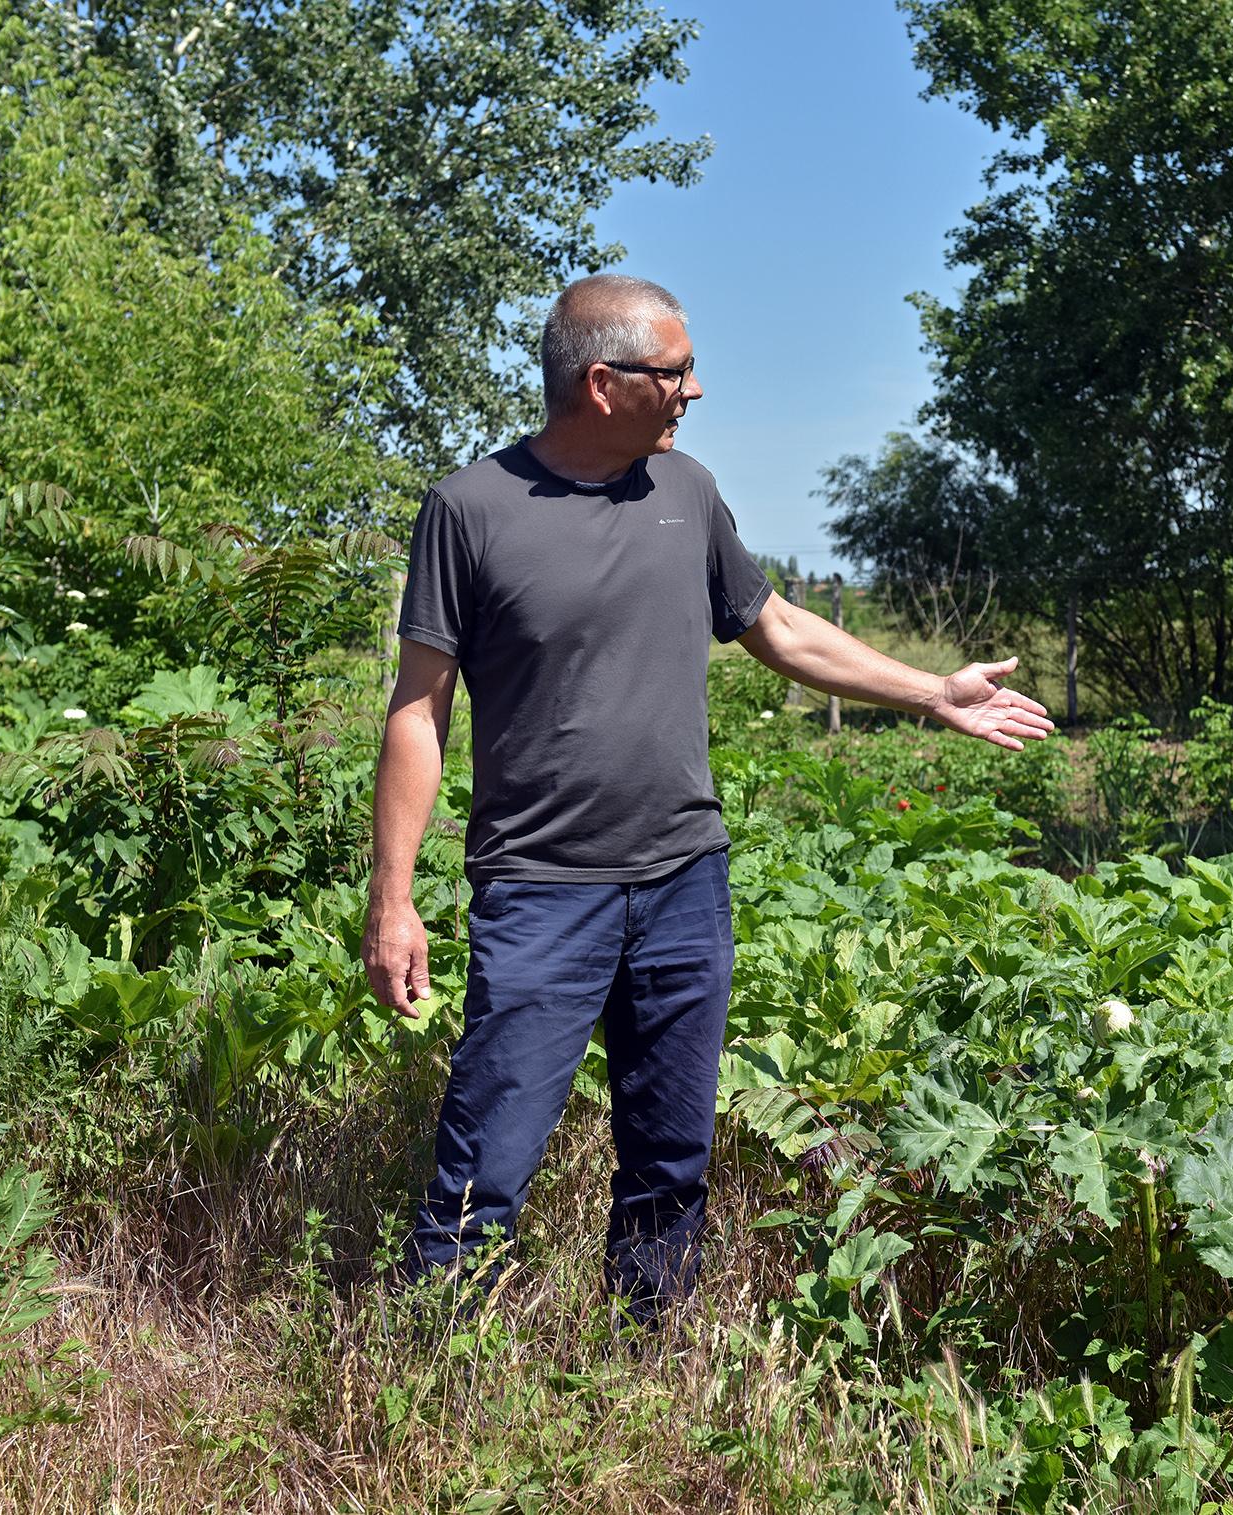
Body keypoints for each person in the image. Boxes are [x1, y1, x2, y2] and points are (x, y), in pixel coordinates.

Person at [363, 273, 1054, 1318]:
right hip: (544, 890)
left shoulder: (685, 494)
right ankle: (424, 1386)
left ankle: (647, 1362)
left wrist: (931, 692)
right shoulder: (472, 511)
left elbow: (776, 628)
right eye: (676, 371)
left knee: (670, 1160)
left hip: (686, 882)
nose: (695, 390)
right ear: (603, 383)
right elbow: (418, 711)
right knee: (484, 1165)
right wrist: (393, 898)